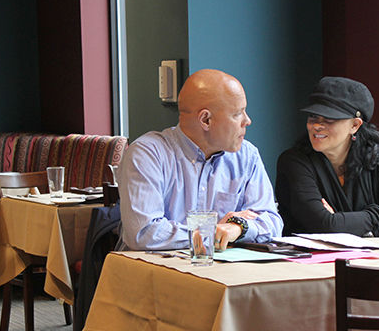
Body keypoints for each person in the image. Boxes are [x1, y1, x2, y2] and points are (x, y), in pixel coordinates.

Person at [118, 68, 283, 252]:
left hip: (223, 273)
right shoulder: (148, 154)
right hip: (153, 275)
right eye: (238, 113)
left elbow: (272, 221)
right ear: (206, 120)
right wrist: (213, 232)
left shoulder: (246, 156)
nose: (248, 120)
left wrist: (237, 227)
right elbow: (143, 233)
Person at [275, 76, 379, 237]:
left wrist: (369, 230)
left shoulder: (374, 155)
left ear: (355, 125)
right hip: (306, 260)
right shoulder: (294, 161)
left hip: (371, 259)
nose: (317, 126)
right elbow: (325, 226)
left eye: (329, 119)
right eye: (313, 117)